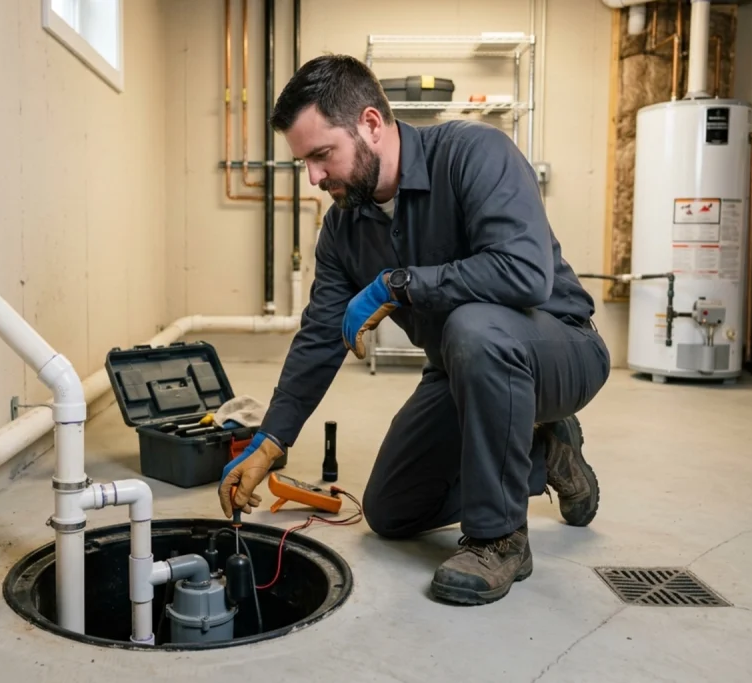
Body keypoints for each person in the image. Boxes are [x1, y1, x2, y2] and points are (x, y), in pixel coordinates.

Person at [217, 54, 611, 606]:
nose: (313, 177)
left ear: (372, 125)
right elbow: (319, 336)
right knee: (391, 510)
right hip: (460, 366)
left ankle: (498, 539)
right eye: (304, 162)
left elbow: (523, 272)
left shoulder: (473, 154)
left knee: (474, 328)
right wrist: (271, 440)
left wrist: (397, 284)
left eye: (322, 155)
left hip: (559, 349)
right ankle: (548, 454)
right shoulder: (343, 229)